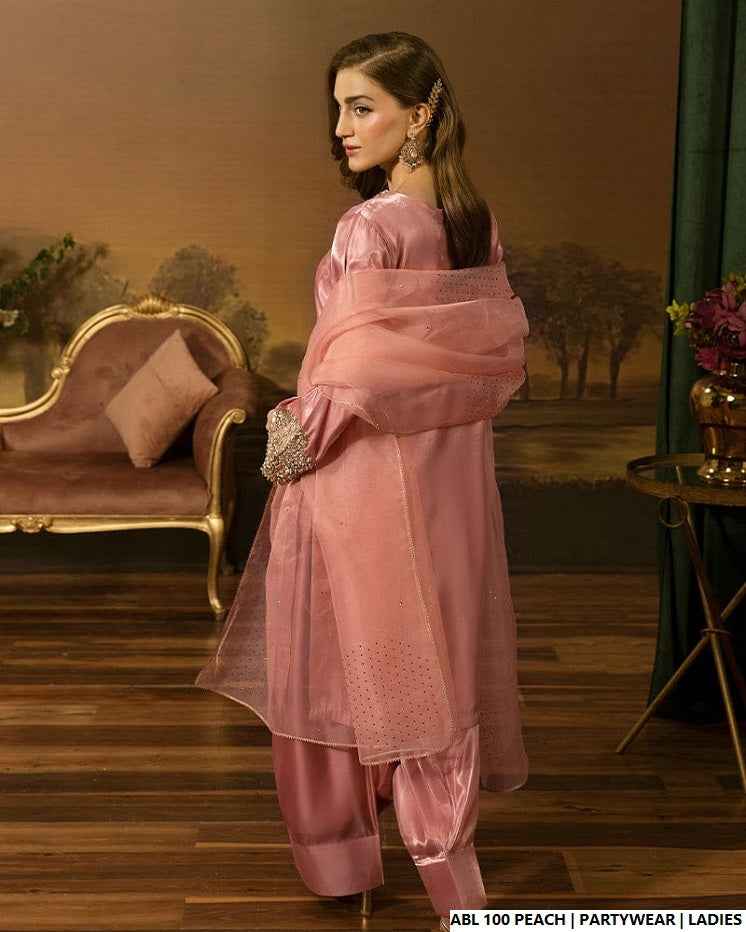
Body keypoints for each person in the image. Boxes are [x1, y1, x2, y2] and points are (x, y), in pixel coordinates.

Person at [195, 30, 530, 932]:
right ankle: (453, 873)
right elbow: (489, 366)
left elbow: (350, 383)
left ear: (418, 116)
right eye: (338, 108)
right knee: (432, 668)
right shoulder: (475, 224)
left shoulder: (371, 228)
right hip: (452, 486)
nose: (341, 128)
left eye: (361, 107)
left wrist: (287, 448)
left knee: (331, 663)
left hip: (360, 481)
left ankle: (344, 861)